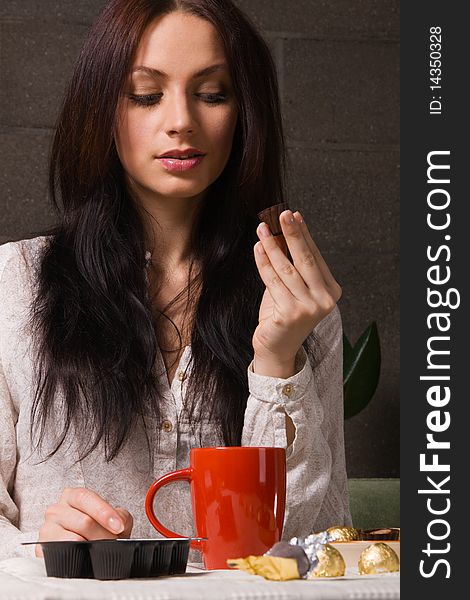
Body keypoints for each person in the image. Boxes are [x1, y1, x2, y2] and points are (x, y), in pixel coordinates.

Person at [0, 0, 351, 561]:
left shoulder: (298, 303)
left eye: (212, 93)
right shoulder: (13, 283)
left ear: (244, 114)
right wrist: (41, 554)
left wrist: (278, 362)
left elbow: (316, 547)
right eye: (146, 94)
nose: (181, 119)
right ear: (101, 110)